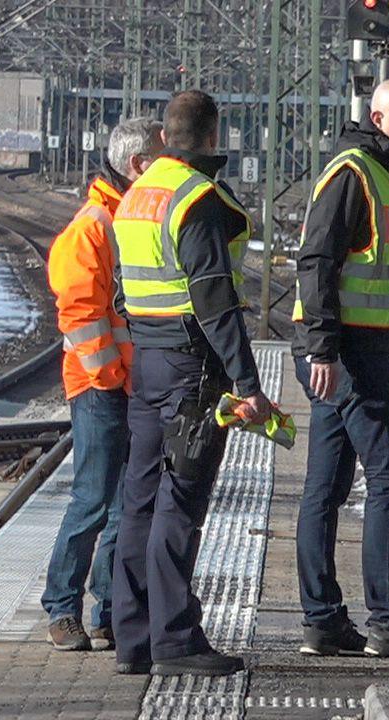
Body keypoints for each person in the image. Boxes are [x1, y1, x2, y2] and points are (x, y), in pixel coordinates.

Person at [110, 90, 271, 677]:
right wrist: (247, 382)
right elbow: (215, 301)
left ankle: (133, 638)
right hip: (190, 368)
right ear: (211, 137)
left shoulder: (136, 195)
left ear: (163, 138)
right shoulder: (196, 199)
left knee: (140, 500)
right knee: (180, 502)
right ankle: (175, 641)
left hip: (148, 360)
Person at [290, 78, 389, 658]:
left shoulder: (382, 173)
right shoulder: (355, 172)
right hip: (348, 352)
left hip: (353, 350)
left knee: (326, 485)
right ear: (377, 117)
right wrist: (323, 349)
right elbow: (317, 258)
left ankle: (323, 621)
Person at [41, 118, 161, 651]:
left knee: (122, 504)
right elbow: (82, 316)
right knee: (93, 498)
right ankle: (62, 608)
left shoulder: (129, 216)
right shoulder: (94, 226)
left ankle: (109, 609)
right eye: (161, 158)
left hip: (129, 383)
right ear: (138, 166)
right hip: (98, 385)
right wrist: (112, 376)